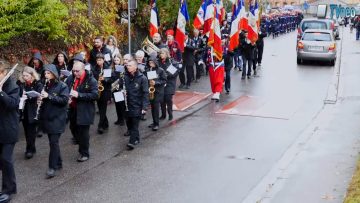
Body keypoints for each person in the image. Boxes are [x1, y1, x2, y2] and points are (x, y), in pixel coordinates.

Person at [38, 64, 69, 178]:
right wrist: (40, 100)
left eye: (48, 73)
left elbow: (64, 100)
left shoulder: (62, 86)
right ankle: (59, 162)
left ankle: (52, 167)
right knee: (53, 142)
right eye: (45, 73)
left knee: (53, 142)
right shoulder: (45, 85)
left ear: (54, 74)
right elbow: (46, 99)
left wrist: (49, 96)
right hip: (48, 117)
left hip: (58, 118)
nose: (46, 75)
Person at [66, 61, 98, 162]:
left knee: (83, 133)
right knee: (73, 128)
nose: (75, 73)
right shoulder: (71, 77)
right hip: (73, 108)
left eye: (77, 71)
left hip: (85, 110)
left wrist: (79, 95)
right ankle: (81, 144)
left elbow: (95, 95)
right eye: (73, 70)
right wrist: (67, 97)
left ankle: (84, 153)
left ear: (83, 69)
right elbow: (66, 89)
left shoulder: (91, 80)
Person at [0, 62, 19, 202]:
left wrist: (0, 92)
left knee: (6, 159)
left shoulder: (12, 86)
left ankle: (9, 189)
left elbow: (13, 104)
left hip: (8, 129)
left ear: (2, 73)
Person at [18, 67, 43, 159]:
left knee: (31, 132)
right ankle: (32, 147)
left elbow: (39, 95)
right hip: (24, 110)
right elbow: (18, 94)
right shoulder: (22, 84)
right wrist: (21, 95)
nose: (25, 77)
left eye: (27, 76)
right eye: (23, 75)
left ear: (32, 75)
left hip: (33, 110)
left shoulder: (38, 84)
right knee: (26, 131)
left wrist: (28, 96)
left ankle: (29, 150)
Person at [124, 60, 149, 150]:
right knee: (129, 124)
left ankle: (131, 142)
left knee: (135, 125)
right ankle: (136, 138)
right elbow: (118, 87)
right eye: (127, 65)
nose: (128, 67)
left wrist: (144, 107)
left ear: (135, 67)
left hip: (137, 105)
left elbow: (146, 93)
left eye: (130, 65)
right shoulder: (124, 76)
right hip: (127, 105)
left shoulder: (143, 78)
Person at [92, 53, 114, 134]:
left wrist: (104, 79)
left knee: (103, 108)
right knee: (100, 108)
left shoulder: (107, 68)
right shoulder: (94, 68)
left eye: (100, 60)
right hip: (98, 90)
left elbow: (111, 80)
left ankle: (100, 126)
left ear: (103, 60)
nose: (99, 62)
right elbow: (93, 78)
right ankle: (106, 123)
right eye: (97, 60)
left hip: (105, 91)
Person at [145, 55, 167, 131]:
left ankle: (156, 124)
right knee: (153, 108)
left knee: (156, 108)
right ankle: (154, 122)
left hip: (158, 91)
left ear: (155, 62)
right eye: (149, 62)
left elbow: (164, 80)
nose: (151, 64)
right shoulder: (148, 70)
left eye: (152, 62)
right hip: (151, 91)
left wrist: (156, 82)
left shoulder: (160, 70)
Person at [159, 48, 179, 121]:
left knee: (168, 99)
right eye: (160, 53)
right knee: (162, 99)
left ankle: (170, 113)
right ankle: (163, 115)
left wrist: (165, 75)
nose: (161, 55)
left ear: (167, 54)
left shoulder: (172, 62)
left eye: (163, 53)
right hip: (161, 83)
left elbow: (175, 73)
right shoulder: (158, 62)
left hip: (169, 83)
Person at [112, 54, 127, 126]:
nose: (116, 61)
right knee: (117, 105)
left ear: (120, 60)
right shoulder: (113, 67)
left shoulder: (121, 68)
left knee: (121, 105)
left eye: (117, 60)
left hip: (119, 89)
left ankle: (122, 120)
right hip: (114, 88)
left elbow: (121, 78)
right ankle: (119, 119)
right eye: (114, 60)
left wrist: (118, 85)